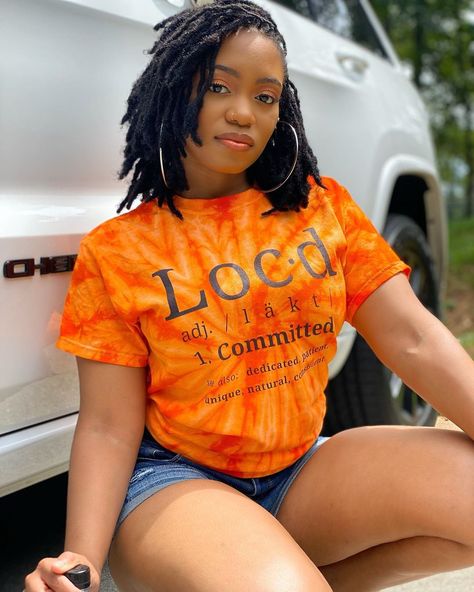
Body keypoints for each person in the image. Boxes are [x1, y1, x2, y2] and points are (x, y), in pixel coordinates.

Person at [25, 1, 474, 591]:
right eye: (218, 86)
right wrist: (79, 559)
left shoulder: (321, 207)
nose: (243, 113)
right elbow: (109, 426)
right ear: (171, 89)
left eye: (266, 96)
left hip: (301, 469)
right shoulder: (119, 251)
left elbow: (413, 338)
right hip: (175, 483)